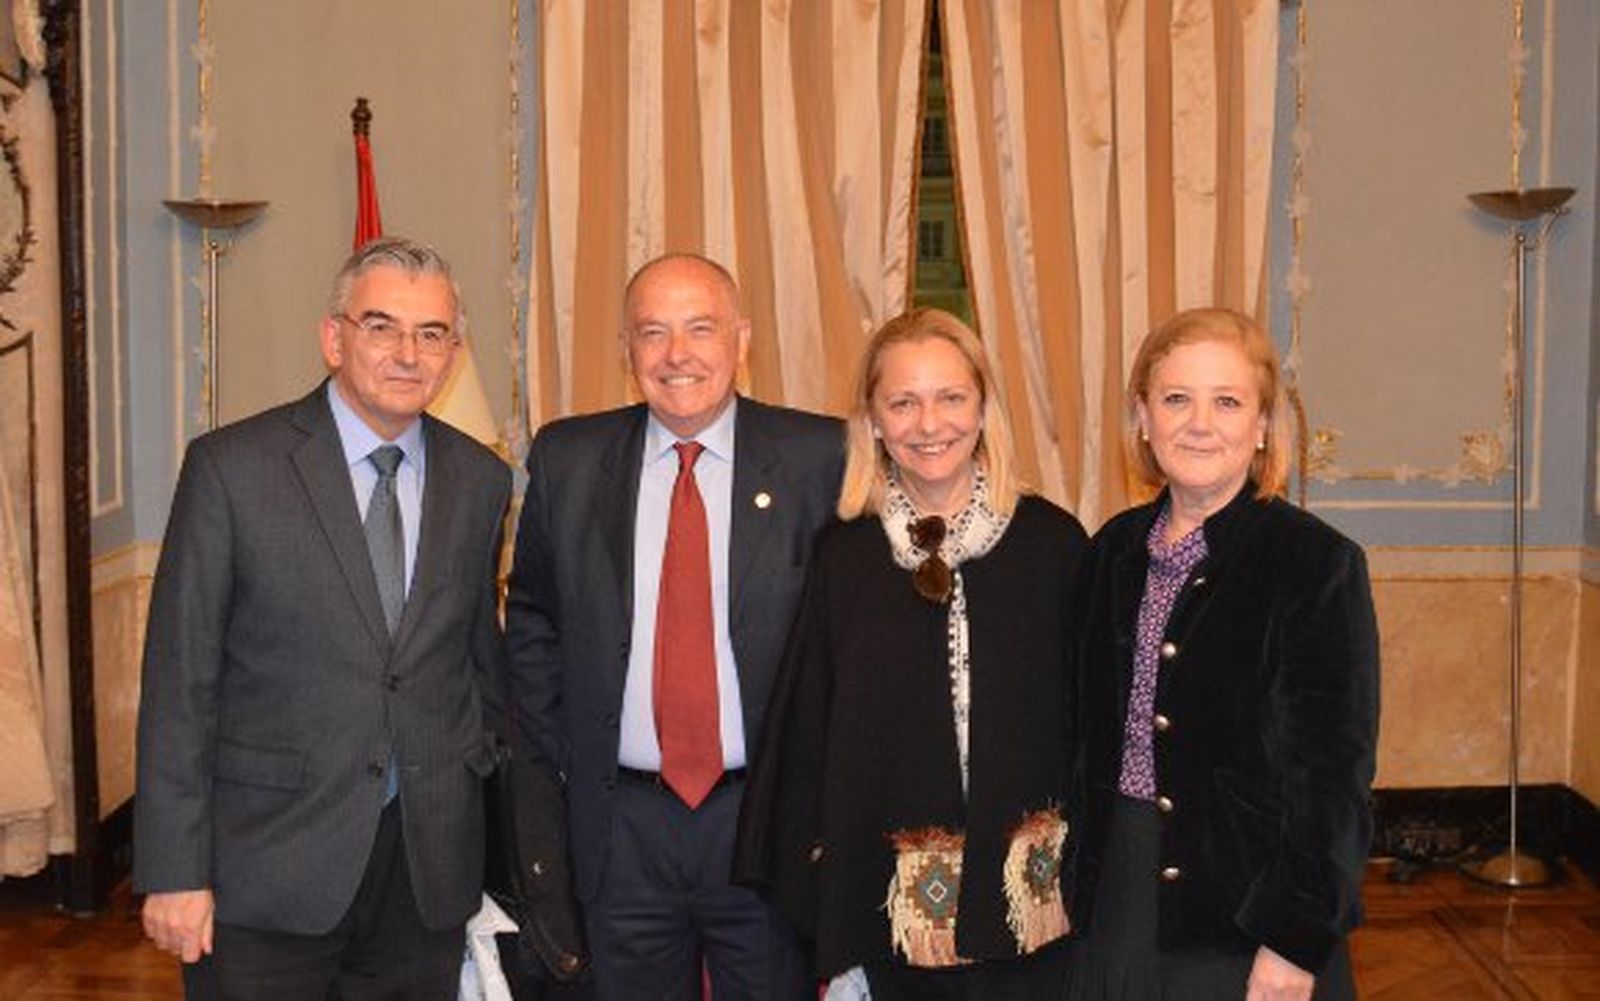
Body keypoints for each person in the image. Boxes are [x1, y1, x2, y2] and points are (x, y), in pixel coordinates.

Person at [133, 237, 513, 1000]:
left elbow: (476, 664)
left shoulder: (481, 479)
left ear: (454, 351)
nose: (408, 352)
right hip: (267, 871)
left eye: (431, 332)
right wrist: (175, 871)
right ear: (334, 336)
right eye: (381, 326)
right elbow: (181, 682)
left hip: (424, 872)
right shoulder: (232, 469)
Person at [505, 253, 843, 1000]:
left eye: (700, 327)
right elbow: (531, 617)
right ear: (627, 350)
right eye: (652, 332)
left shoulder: (822, 456)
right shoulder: (568, 457)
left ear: (742, 339)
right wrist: (573, 750)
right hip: (622, 822)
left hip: (764, 819)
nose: (677, 354)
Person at [734, 308, 1087, 999]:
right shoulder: (847, 556)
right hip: (892, 917)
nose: (930, 424)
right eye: (904, 401)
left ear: (984, 407)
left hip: (1032, 913)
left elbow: (1090, 730)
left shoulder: (1054, 544)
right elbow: (811, 734)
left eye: (951, 397)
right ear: (872, 419)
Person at [1067, 307, 1379, 1000]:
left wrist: (1294, 938)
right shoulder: (1110, 551)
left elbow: (1333, 780)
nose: (1199, 423)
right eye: (1176, 398)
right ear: (1143, 418)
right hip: (1116, 894)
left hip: (1247, 908)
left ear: (1264, 425)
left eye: (1228, 401)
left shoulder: (1316, 565)